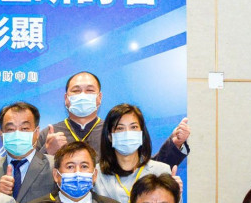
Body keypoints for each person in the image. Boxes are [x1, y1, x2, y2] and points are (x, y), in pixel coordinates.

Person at [36, 71, 190, 167]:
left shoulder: (115, 131)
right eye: (76, 91)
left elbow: (145, 171)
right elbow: (31, 176)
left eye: (89, 90)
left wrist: (174, 145)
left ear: (99, 98)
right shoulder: (49, 134)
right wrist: (47, 151)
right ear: (66, 98)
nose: (83, 95)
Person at [94, 103, 184, 203]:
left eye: (134, 127)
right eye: (120, 128)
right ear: (109, 136)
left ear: (142, 133)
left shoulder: (161, 171)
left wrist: (177, 194)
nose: (127, 133)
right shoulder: (95, 174)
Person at [0, 102, 57, 203]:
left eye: (24, 128)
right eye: (10, 129)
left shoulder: (54, 165)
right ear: (1, 134)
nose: (17, 134)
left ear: (37, 132)